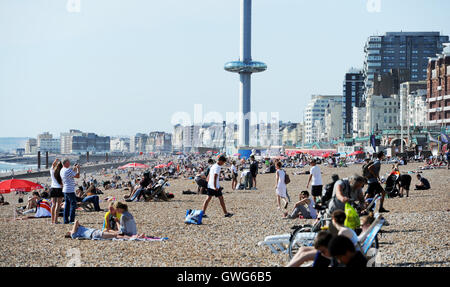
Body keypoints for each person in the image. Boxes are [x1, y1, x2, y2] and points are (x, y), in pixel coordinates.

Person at [65, 219, 145, 240]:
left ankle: (135, 236)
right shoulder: (73, 234)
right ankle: (135, 237)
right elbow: (76, 221)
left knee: (116, 235)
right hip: (94, 234)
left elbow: (78, 224)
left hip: (95, 233)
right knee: (115, 235)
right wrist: (73, 227)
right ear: (69, 233)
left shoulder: (78, 231)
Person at [60, 159, 80, 224]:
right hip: (70, 190)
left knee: (67, 205)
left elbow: (71, 174)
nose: (69, 164)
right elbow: (77, 176)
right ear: (66, 163)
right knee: (73, 204)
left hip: (65, 189)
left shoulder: (62, 170)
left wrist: (74, 169)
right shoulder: (68, 170)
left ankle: (65, 220)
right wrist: (78, 169)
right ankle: (71, 220)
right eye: (68, 163)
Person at [49, 159, 64, 224]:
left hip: (53, 188)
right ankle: (56, 220)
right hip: (59, 189)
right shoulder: (61, 172)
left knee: (53, 205)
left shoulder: (52, 171)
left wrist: (55, 160)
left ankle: (52, 220)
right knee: (58, 205)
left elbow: (53, 165)